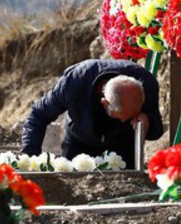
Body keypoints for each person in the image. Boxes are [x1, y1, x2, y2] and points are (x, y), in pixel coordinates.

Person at [21, 59, 164, 168]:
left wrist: (148, 122)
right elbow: (38, 115)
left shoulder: (147, 83)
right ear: (105, 103)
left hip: (123, 143)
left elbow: (157, 130)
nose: (126, 120)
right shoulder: (74, 82)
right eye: (123, 117)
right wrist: (29, 159)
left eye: (132, 116)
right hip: (80, 139)